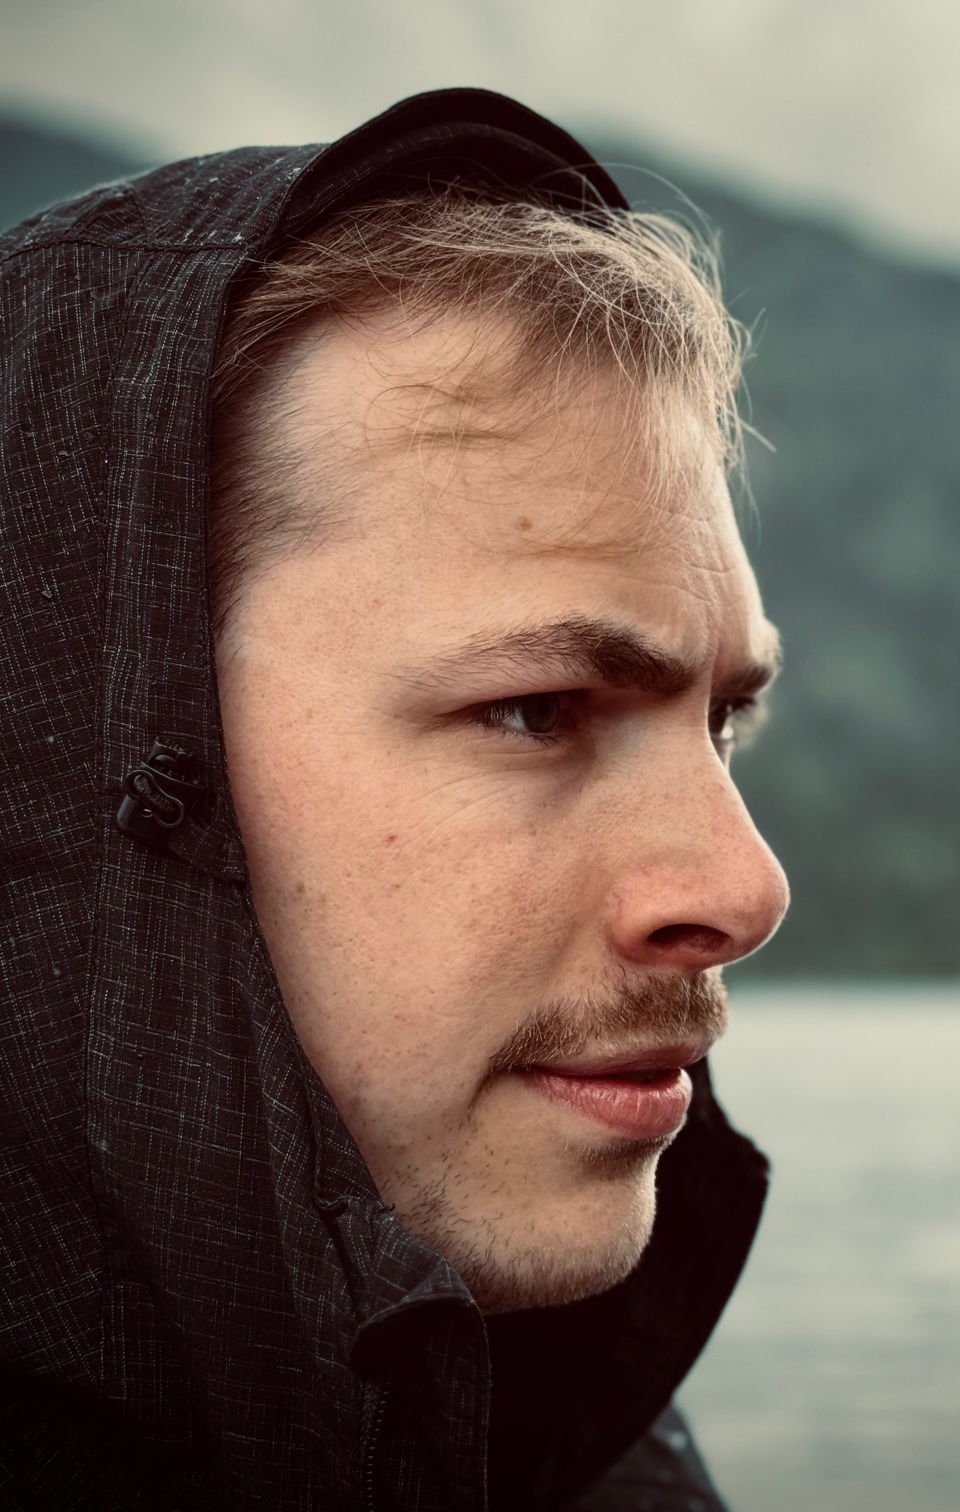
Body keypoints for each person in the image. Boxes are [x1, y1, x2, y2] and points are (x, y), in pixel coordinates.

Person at [0, 88, 788, 1510]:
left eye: (723, 721)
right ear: (102, 748)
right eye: (538, 711)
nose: (741, 891)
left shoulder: (569, 1457)